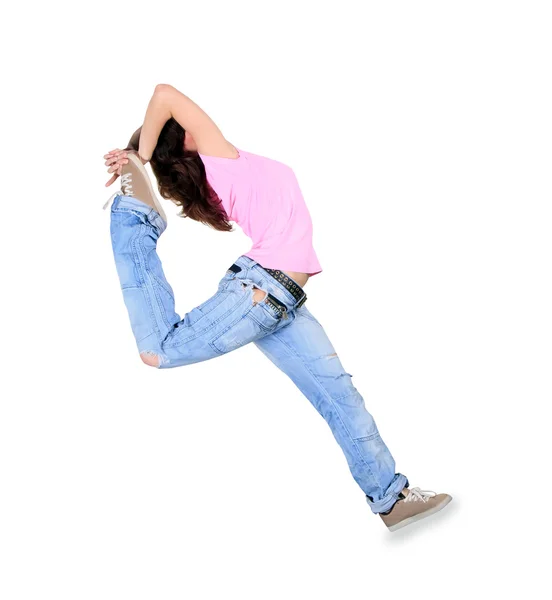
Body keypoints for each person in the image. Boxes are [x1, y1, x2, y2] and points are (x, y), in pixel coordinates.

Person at [103, 83, 452, 532]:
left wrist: (144, 153)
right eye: (185, 126)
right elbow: (164, 93)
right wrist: (141, 157)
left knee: (340, 398)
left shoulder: (223, 166)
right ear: (184, 136)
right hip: (261, 291)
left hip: (280, 299)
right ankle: (135, 215)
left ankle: (391, 499)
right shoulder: (217, 155)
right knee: (158, 349)